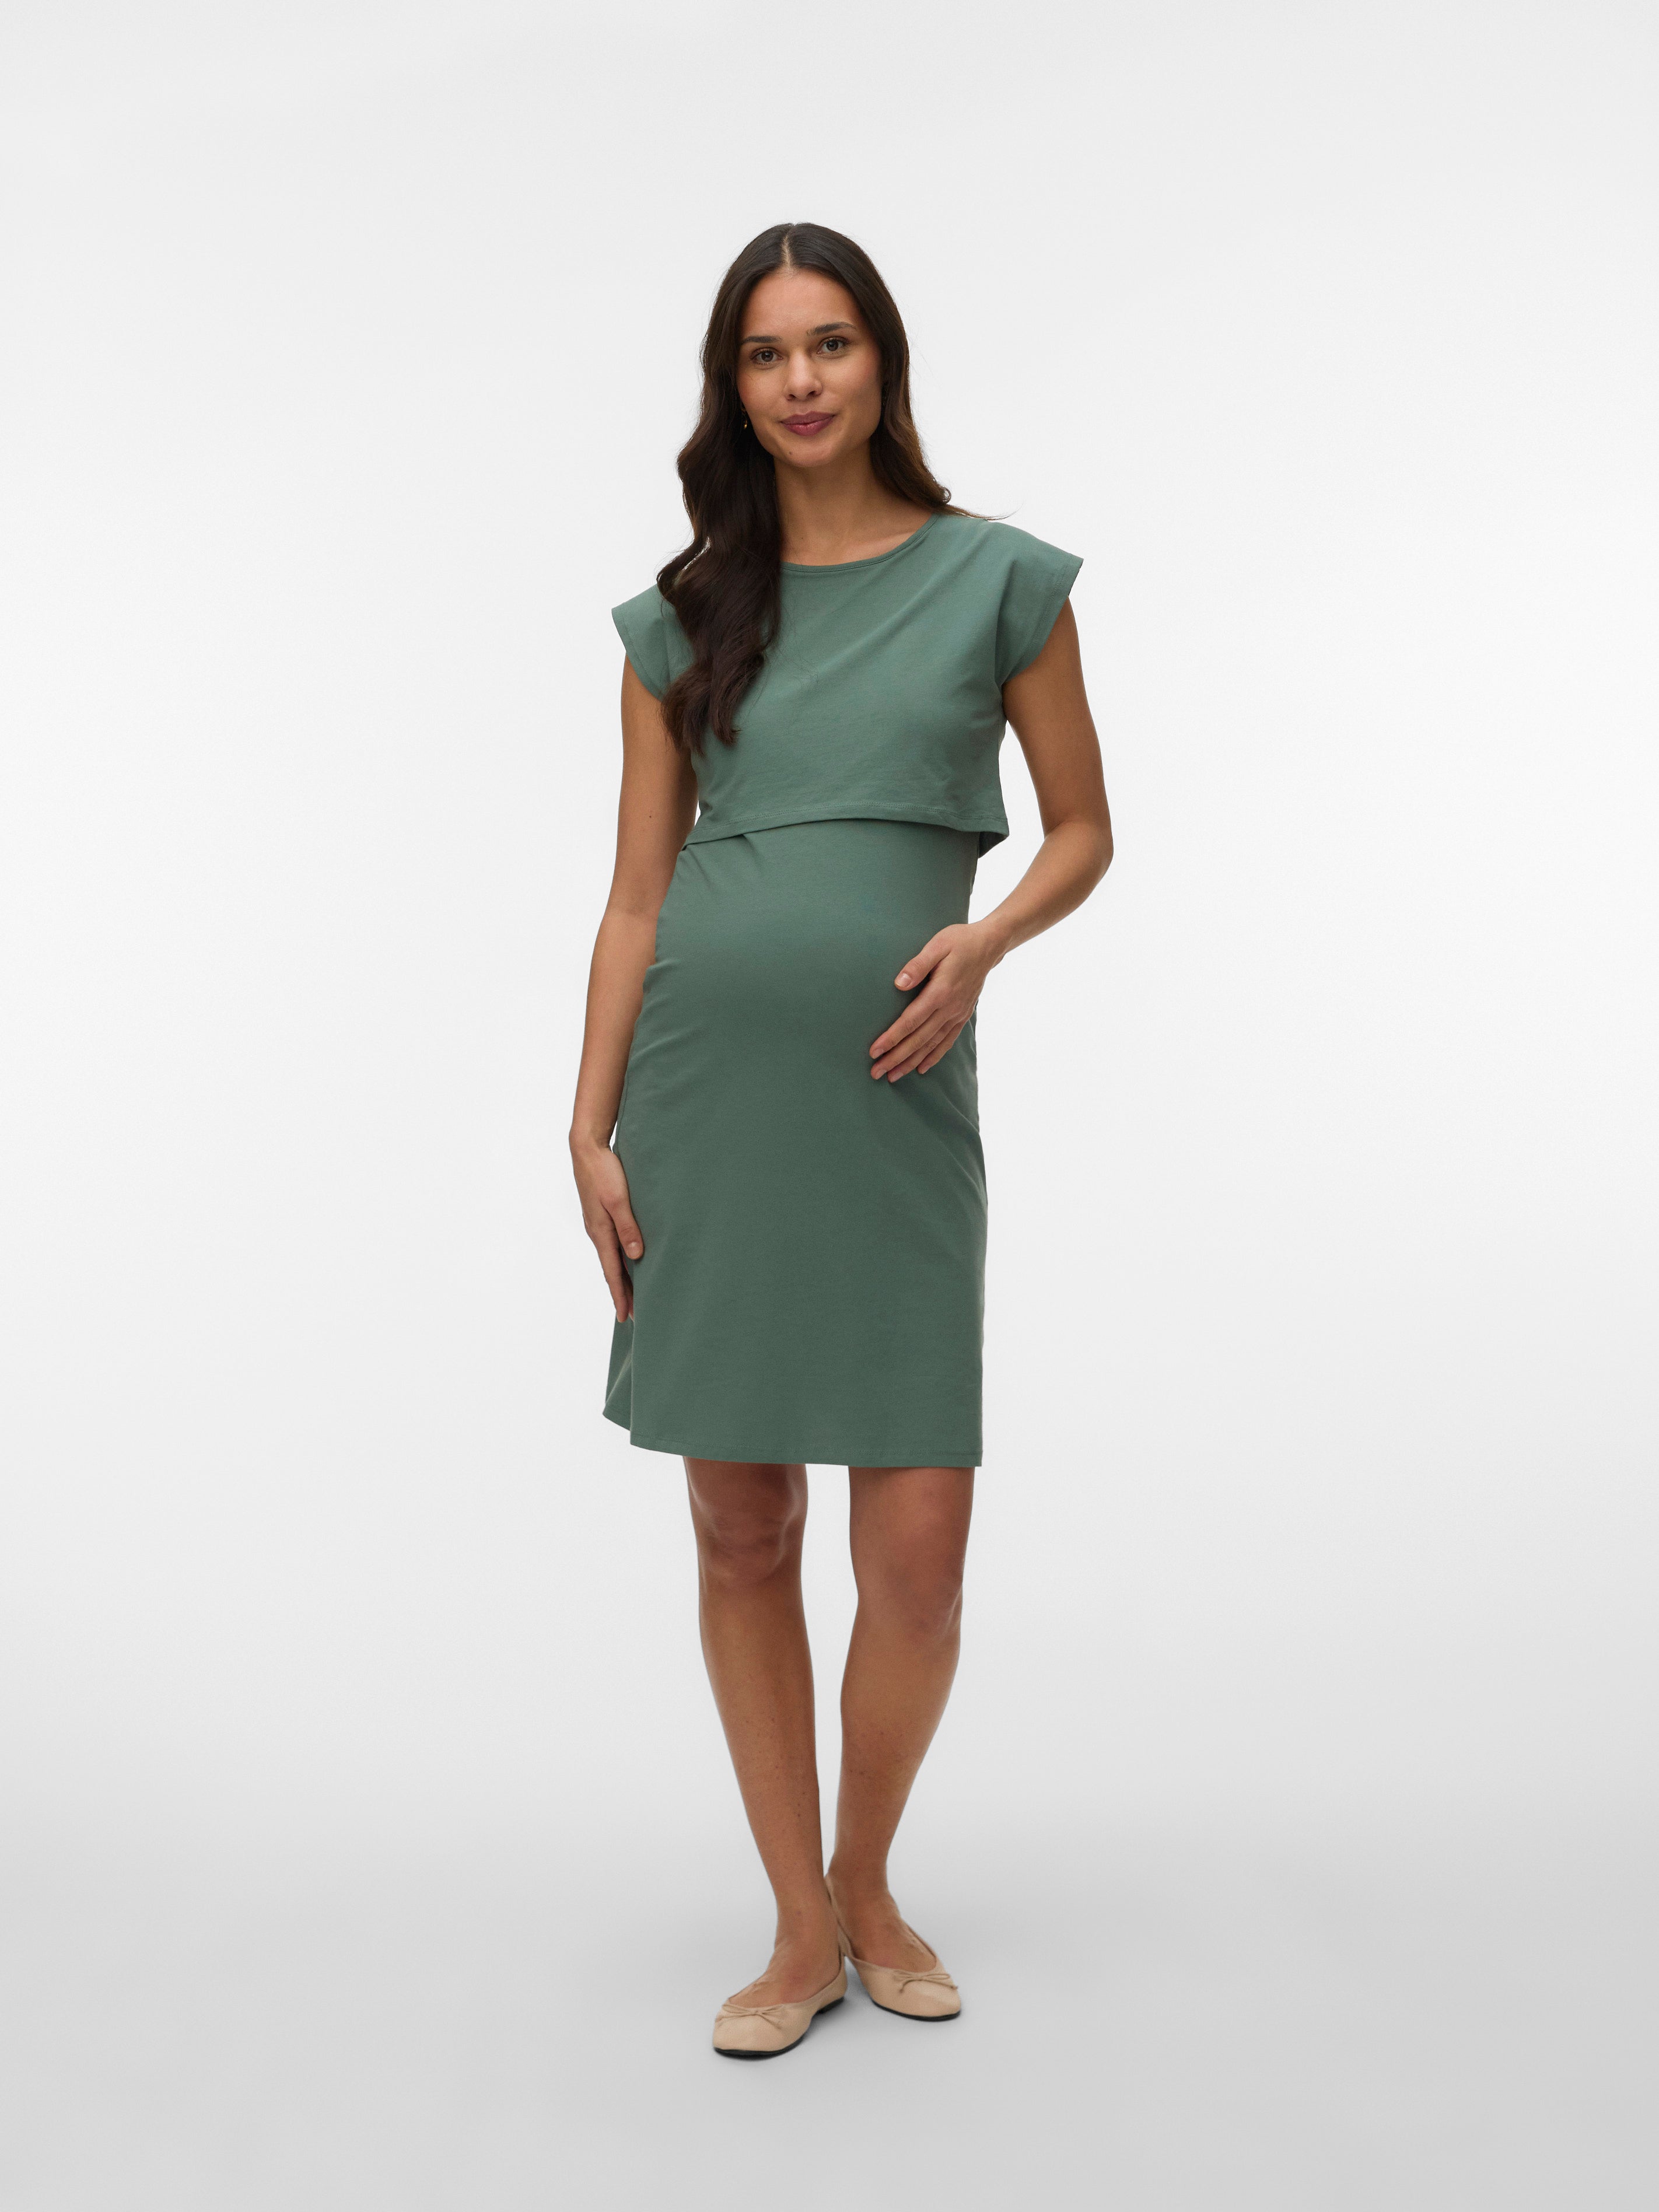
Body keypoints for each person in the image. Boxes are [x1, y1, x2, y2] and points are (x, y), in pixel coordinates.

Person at [570, 222, 1112, 2058]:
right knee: (741, 1526)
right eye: (763, 354)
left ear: (882, 360)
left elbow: (1082, 829)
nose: (799, 381)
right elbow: (632, 899)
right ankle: (799, 1929)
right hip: (704, 1104)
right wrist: (587, 1125)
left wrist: (985, 942)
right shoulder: (680, 619)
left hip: (892, 1096)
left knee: (917, 1552)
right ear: (730, 389)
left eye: (829, 343)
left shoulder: (998, 582)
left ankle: (868, 1878)